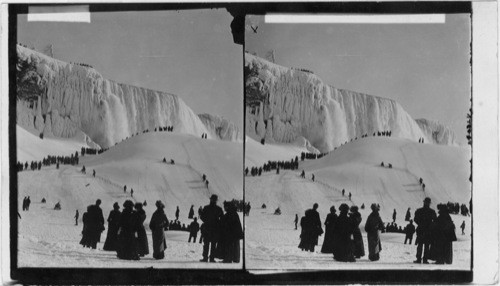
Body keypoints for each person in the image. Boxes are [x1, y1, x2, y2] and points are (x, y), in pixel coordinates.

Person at [200, 194, 223, 262]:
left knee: (206, 244)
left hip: (207, 228)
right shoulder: (219, 209)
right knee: (213, 245)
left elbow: (202, 217)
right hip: (215, 229)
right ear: (216, 201)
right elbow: (222, 218)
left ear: (210, 200)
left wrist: (206, 221)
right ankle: (212, 258)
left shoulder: (206, 208)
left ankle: (205, 258)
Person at [413, 197, 436, 264]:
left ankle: (419, 259)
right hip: (428, 231)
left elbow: (415, 219)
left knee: (420, 245)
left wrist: (421, 224)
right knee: (426, 246)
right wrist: (430, 225)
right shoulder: (432, 211)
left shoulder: (419, 211)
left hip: (421, 230)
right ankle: (425, 259)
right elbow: (435, 221)